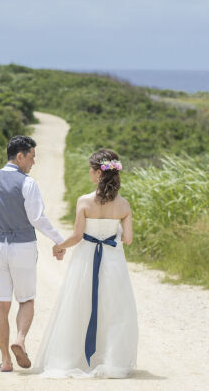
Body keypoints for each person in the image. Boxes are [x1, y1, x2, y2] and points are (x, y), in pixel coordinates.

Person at [33, 148, 138, 378]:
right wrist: (112, 232)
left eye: (91, 171)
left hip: (86, 259)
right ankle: (111, 359)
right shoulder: (124, 205)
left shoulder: (84, 201)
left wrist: (59, 246)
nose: (90, 174)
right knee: (112, 310)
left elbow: (77, 236)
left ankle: (74, 358)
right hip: (112, 261)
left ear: (98, 174)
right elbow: (128, 239)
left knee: (79, 306)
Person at [0, 135, 65, 372]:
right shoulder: (28, 183)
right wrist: (59, 240)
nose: (33, 163)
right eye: (31, 158)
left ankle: (5, 360)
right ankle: (19, 340)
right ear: (20, 156)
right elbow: (37, 219)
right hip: (22, 246)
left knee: (0, 305)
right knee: (26, 299)